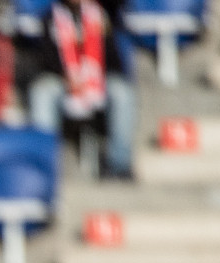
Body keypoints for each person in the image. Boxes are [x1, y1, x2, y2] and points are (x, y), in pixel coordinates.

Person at [19, 0, 138, 181]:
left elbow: (113, 59)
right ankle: (45, 165)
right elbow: (44, 60)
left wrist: (93, 77)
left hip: (98, 77)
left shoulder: (102, 15)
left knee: (122, 92)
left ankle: (119, 165)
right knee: (42, 91)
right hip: (62, 78)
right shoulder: (49, 18)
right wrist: (66, 76)